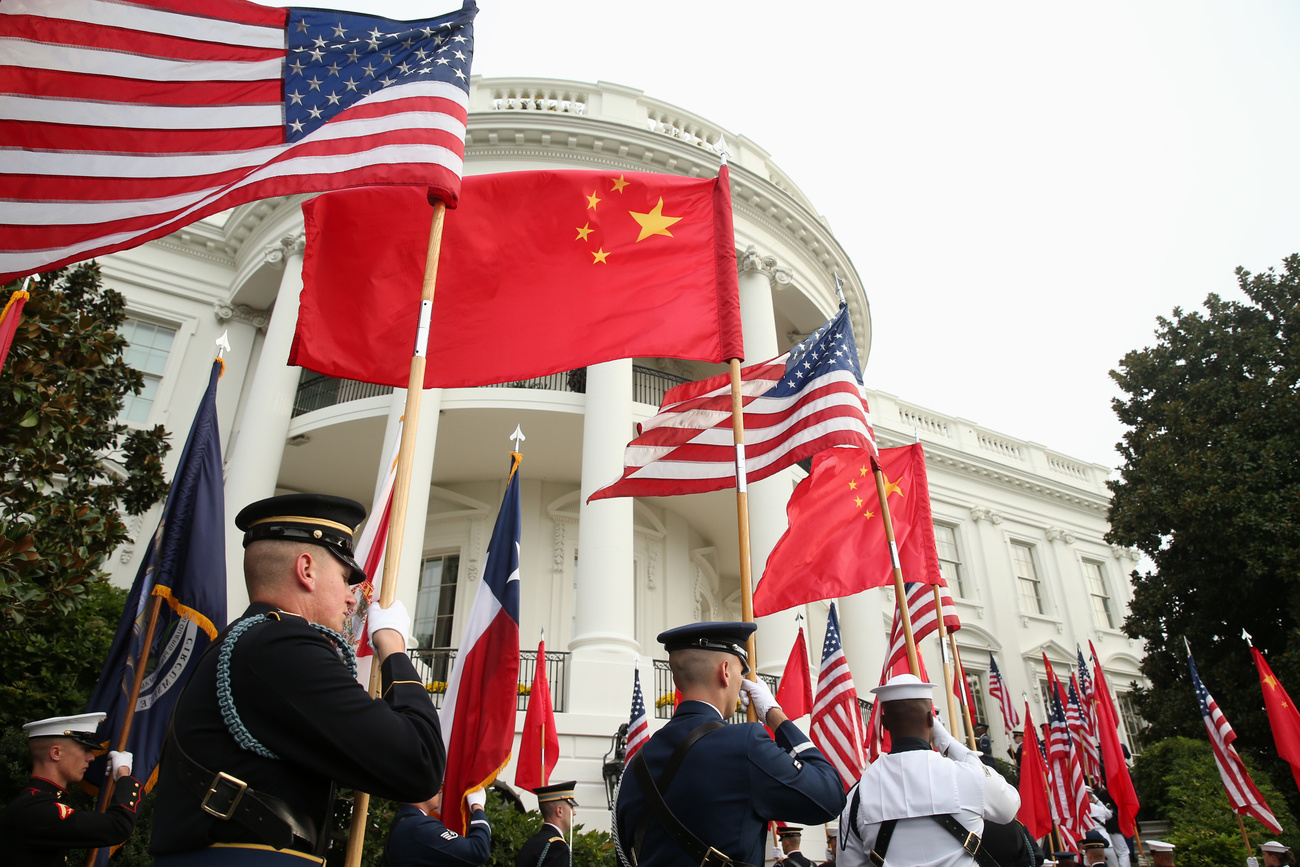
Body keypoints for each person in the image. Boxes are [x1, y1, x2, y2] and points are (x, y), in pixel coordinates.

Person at [149, 493, 446, 864]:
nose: (353, 601)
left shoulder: (251, 641)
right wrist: (395, 650)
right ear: (306, 569)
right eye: (344, 578)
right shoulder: (280, 645)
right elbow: (419, 766)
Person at [615, 622, 845, 867]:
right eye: (741, 673)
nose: (741, 683)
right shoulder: (744, 744)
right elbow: (829, 796)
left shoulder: (637, 764)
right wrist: (775, 715)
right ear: (725, 671)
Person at [839, 674, 1021, 867]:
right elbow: (1009, 806)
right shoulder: (969, 776)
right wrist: (951, 745)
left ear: (884, 724)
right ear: (931, 720)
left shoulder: (858, 796)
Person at [0, 712, 141, 867]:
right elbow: (118, 827)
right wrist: (123, 775)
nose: (91, 758)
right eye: (85, 749)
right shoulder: (36, 810)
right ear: (56, 753)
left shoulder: (35, 804)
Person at [387, 788, 491, 867]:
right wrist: (478, 808)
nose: (440, 790)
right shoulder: (418, 827)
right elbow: (478, 850)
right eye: (437, 783)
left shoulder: (407, 821)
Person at [517, 782, 577, 867]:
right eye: (571, 807)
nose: (574, 813)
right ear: (559, 811)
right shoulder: (557, 846)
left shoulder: (529, 843)